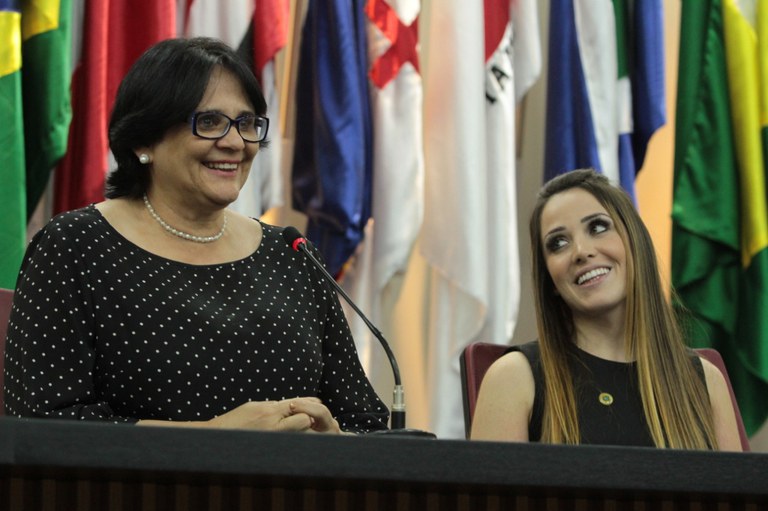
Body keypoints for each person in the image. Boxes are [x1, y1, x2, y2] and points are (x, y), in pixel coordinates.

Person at [3, 37, 389, 434]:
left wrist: (336, 439)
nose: (235, 142)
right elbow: (41, 424)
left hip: (294, 494)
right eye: (209, 122)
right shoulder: (75, 246)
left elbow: (368, 424)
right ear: (143, 139)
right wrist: (213, 439)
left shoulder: (291, 254)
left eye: (246, 123)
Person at [471, 169, 742, 450]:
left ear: (635, 242)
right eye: (558, 243)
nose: (580, 251)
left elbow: (735, 494)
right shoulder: (513, 377)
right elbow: (487, 496)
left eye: (598, 227)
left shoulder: (706, 381)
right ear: (549, 279)